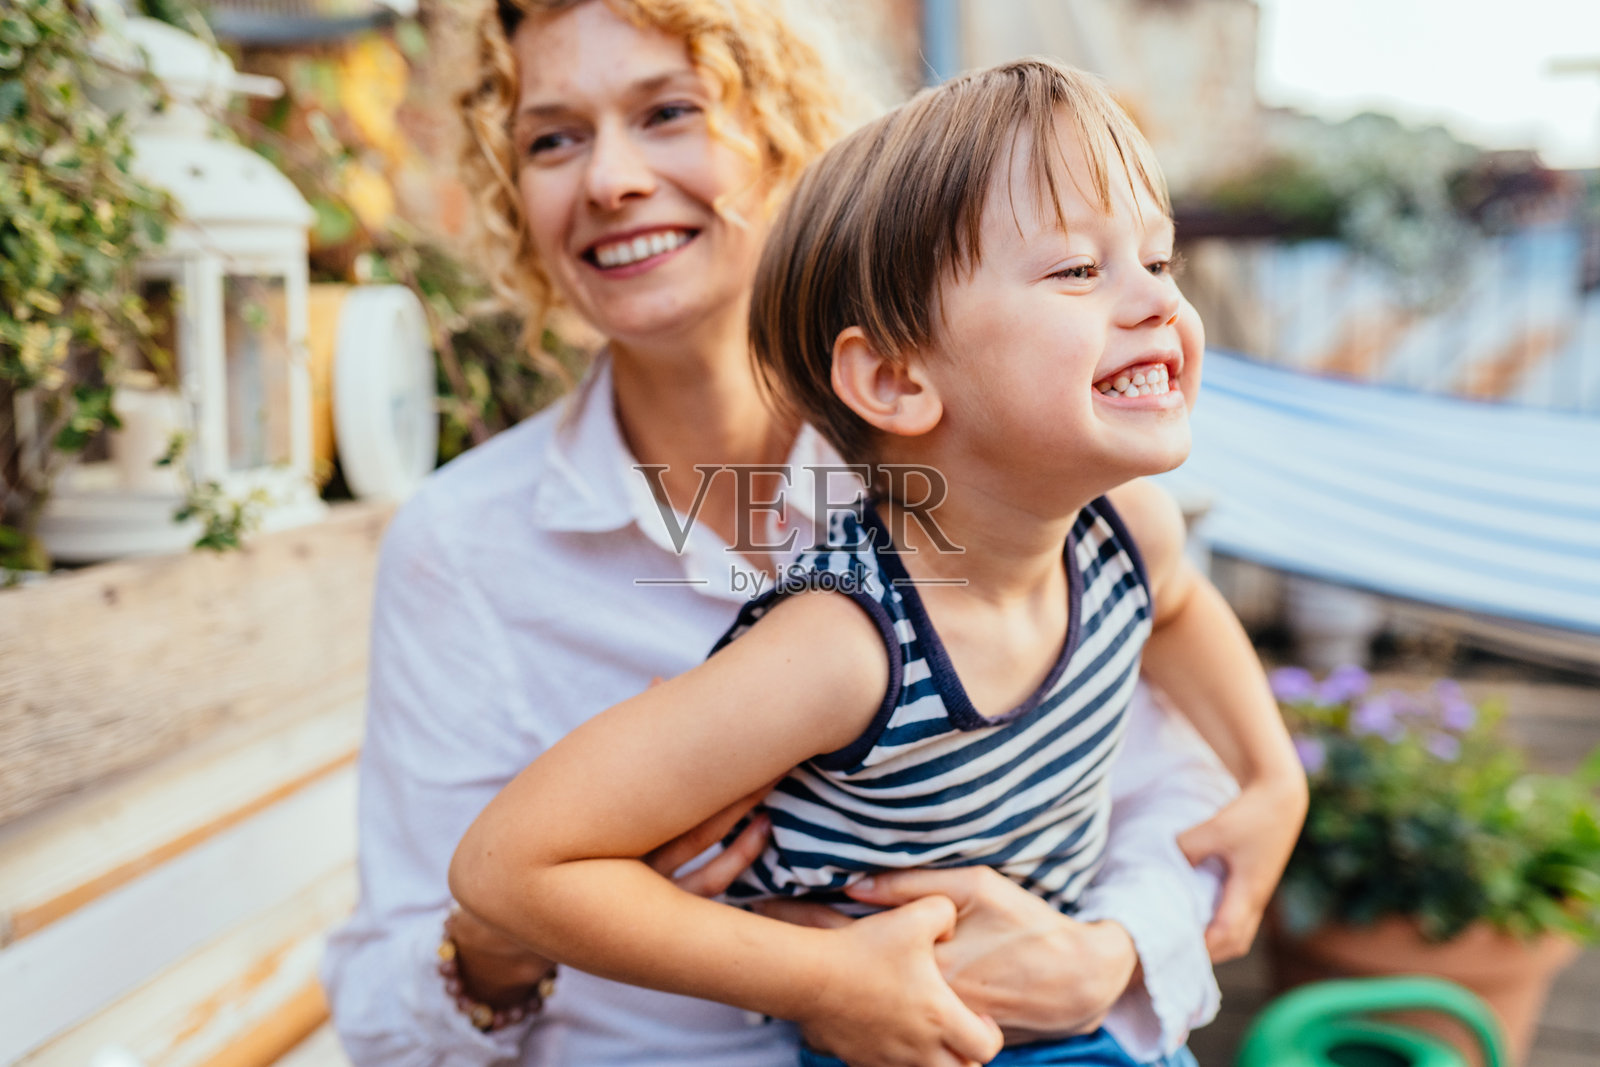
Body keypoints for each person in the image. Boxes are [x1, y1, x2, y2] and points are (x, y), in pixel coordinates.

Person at [320, 2, 1300, 1065]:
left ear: (784, 125)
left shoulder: (1049, 488)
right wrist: (804, 971)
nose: (608, 179)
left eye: (668, 110)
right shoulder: (484, 549)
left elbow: (1171, 764)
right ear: (886, 375)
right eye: (551, 137)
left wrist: (1111, 948)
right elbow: (459, 922)